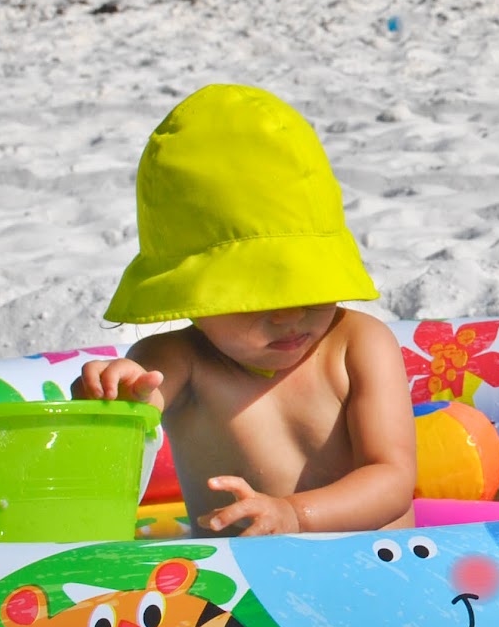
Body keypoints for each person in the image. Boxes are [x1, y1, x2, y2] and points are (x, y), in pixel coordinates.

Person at [75, 84, 417, 537]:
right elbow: (138, 406)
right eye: (254, 297)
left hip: (380, 566)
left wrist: (295, 514)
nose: (288, 316)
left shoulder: (359, 344)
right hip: (239, 578)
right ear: (193, 300)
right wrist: (112, 400)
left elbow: (392, 477)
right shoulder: (178, 360)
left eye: (307, 287)